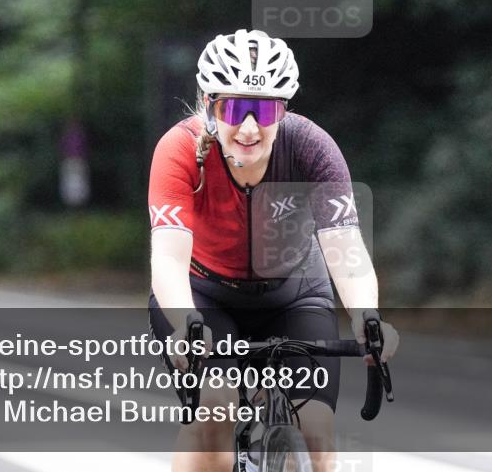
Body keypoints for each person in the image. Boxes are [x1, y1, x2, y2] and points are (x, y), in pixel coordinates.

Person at [148, 29, 399, 472]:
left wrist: (365, 314)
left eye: (263, 110)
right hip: (205, 296)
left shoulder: (311, 147)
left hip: (294, 292)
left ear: (282, 112)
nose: (248, 127)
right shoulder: (180, 151)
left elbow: (344, 245)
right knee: (216, 413)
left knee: (317, 432)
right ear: (210, 107)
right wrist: (187, 324)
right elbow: (168, 258)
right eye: (234, 108)